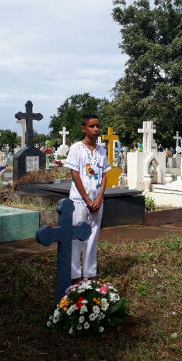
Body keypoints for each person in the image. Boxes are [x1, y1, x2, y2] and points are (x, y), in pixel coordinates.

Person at [64, 114, 109, 284]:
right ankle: (74, 275)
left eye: (98, 126)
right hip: (79, 201)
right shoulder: (76, 148)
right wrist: (87, 200)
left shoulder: (101, 150)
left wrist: (98, 198)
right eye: (92, 126)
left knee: (93, 236)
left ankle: (90, 274)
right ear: (84, 129)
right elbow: (75, 174)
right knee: (76, 236)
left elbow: (104, 176)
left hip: (97, 201)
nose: (96, 129)